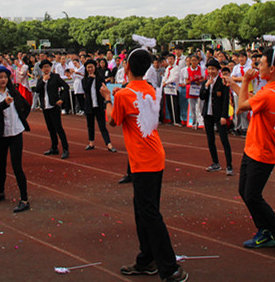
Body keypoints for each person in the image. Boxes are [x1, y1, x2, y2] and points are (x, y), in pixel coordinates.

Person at [101, 48, 187, 282]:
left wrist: (108, 99)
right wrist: (119, 95)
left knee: (149, 214)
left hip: (143, 160)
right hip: (154, 155)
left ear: (127, 67)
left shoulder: (123, 95)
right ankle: (146, 259)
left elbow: (113, 121)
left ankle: (169, 268)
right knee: (143, 210)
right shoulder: (150, 89)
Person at [227, 48, 275, 256]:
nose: (257, 67)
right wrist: (234, 84)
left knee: (253, 195)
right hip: (254, 147)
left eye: (261, 64)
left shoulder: (269, 93)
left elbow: (241, 106)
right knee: (245, 191)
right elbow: (251, 100)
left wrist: (245, 81)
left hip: (262, 151)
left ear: (272, 68)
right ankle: (264, 230)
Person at [0, 66, 31, 213]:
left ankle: (24, 199)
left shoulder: (13, 92)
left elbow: (26, 106)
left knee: (17, 166)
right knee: (1, 165)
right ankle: (0, 192)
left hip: (15, 132)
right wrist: (4, 103)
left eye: (5, 77)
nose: (3, 80)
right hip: (0, 134)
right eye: (0, 77)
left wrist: (21, 119)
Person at [200, 58, 233, 175]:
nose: (211, 71)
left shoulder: (222, 82)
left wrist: (224, 116)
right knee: (210, 139)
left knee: (224, 139)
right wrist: (206, 87)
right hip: (208, 114)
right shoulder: (206, 82)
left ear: (218, 70)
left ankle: (229, 165)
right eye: (209, 69)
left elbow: (225, 100)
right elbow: (202, 97)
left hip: (219, 115)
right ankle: (215, 162)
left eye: (213, 69)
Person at [34, 59, 70, 159]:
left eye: (48, 66)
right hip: (45, 106)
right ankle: (54, 147)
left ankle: (65, 149)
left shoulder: (55, 77)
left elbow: (66, 87)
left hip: (54, 106)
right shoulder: (41, 79)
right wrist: (43, 81)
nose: (46, 69)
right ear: (41, 69)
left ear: (50, 67)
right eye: (44, 67)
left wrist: (61, 99)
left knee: (58, 128)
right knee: (50, 128)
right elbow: (37, 90)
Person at [83, 59, 117, 152]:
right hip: (89, 105)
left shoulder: (100, 78)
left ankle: (109, 144)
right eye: (88, 67)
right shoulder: (85, 79)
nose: (90, 69)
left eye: (92, 67)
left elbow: (103, 89)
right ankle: (91, 143)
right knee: (90, 125)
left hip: (99, 105)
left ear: (95, 67)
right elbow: (86, 89)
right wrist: (90, 79)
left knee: (102, 126)